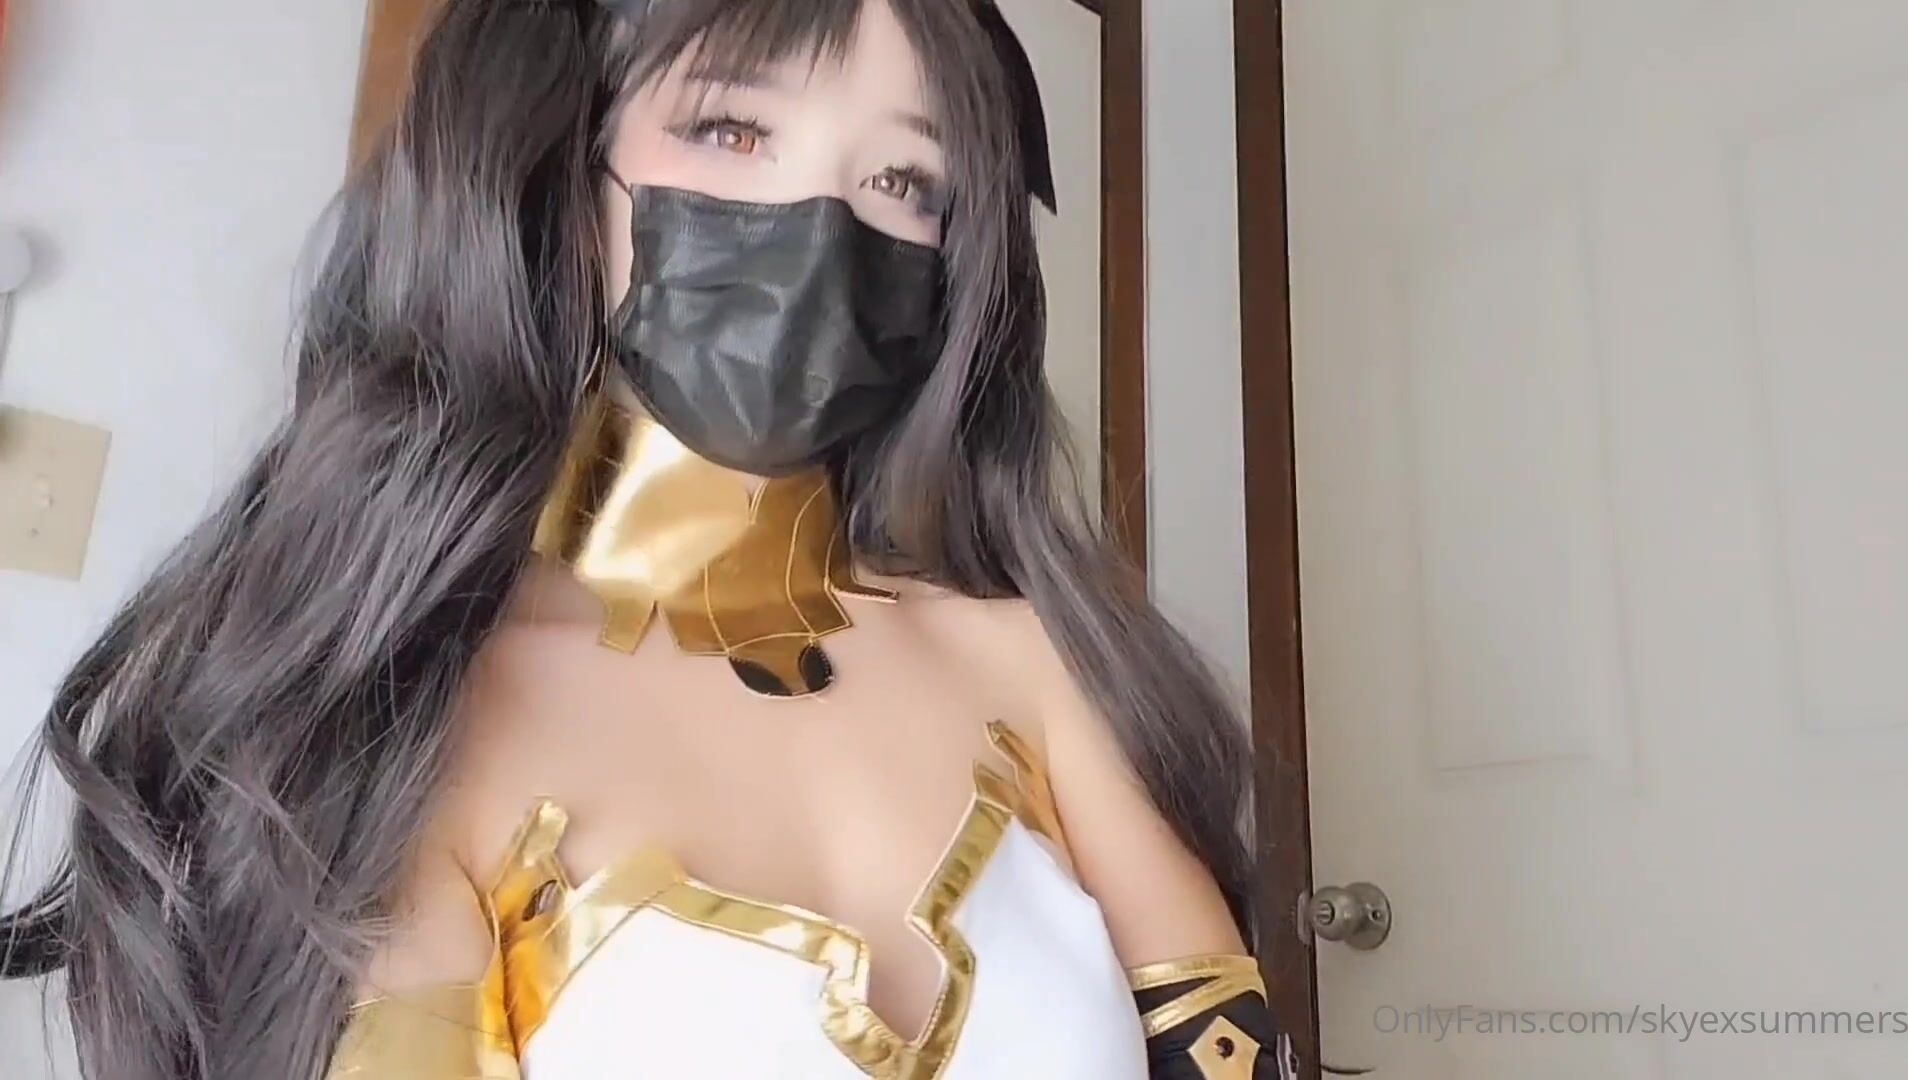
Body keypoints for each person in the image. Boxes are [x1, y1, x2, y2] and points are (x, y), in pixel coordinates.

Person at [1, 0, 1291, 1076]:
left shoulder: (1035, 666)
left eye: (905, 181)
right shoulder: (408, 725)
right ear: (563, 173)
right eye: (732, 130)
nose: (820, 225)